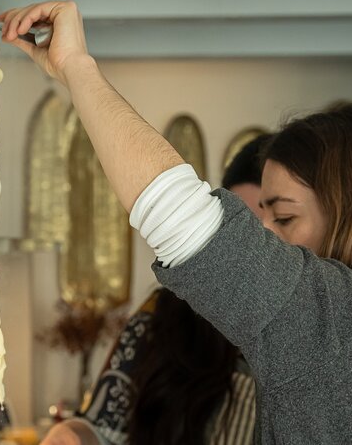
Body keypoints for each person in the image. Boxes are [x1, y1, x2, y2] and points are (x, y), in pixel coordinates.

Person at [0, 2, 352, 443]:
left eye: (284, 216)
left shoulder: (349, 332)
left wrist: (76, 66)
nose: (264, 233)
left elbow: (179, 215)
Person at [40, 135, 269, 445]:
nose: (252, 248)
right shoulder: (165, 317)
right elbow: (103, 427)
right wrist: (71, 435)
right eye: (239, 226)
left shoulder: (316, 334)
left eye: (277, 223)